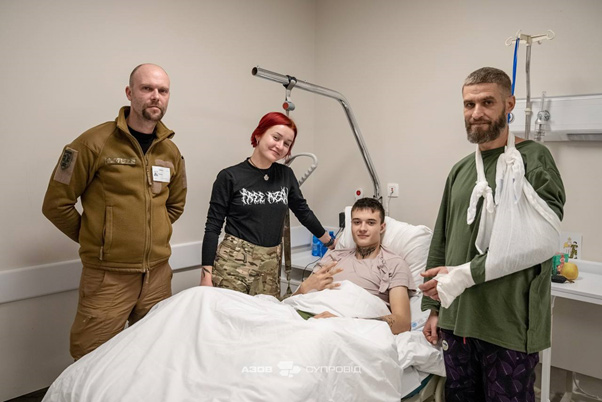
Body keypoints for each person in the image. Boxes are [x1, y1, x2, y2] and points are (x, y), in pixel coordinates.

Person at [419, 67, 565, 401]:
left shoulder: (533, 159)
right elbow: (441, 238)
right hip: (457, 318)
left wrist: (463, 275)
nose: (477, 113)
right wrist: (434, 308)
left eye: (487, 102)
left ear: (509, 104)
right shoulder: (460, 170)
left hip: (507, 322)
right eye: (469, 104)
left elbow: (539, 241)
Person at [42, 63, 187, 360]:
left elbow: (175, 205)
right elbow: (55, 204)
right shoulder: (91, 143)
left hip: (158, 276)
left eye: (163, 91)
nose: (156, 96)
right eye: (147, 88)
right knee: (92, 361)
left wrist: (150, 235)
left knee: (154, 356)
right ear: (129, 93)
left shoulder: (170, 151)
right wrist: (100, 238)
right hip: (109, 278)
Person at [200, 112, 335, 297]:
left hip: (270, 265)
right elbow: (212, 227)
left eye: (287, 143)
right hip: (233, 264)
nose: (280, 146)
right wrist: (206, 277)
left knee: (267, 312)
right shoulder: (230, 176)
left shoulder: (286, 175)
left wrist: (330, 242)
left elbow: (303, 212)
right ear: (259, 134)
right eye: (276, 138)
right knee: (230, 313)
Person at [294, 198, 415, 334]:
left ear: (381, 227)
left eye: (370, 223)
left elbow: (402, 322)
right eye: (357, 222)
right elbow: (294, 301)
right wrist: (304, 287)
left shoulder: (394, 264)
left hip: (342, 329)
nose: (362, 228)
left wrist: (345, 322)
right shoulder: (334, 256)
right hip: (308, 317)